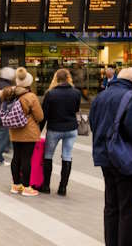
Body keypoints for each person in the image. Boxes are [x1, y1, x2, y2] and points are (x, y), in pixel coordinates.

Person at [90, 67, 132, 246]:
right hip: (127, 160)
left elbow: (93, 123)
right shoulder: (131, 97)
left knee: (111, 206)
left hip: (105, 157)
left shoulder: (101, 96)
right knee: (128, 208)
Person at [0, 67, 43, 196]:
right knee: (26, 159)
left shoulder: (10, 94)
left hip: (14, 131)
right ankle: (27, 187)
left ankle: (16, 185)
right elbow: (40, 116)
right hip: (29, 132)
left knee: (16, 157)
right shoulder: (30, 96)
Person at [39, 68, 82, 196]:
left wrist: (38, 130)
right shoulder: (76, 93)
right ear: (69, 78)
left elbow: (44, 115)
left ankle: (46, 186)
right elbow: (75, 109)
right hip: (71, 128)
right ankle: (62, 188)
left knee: (48, 155)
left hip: (54, 128)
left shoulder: (50, 94)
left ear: (56, 78)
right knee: (67, 156)